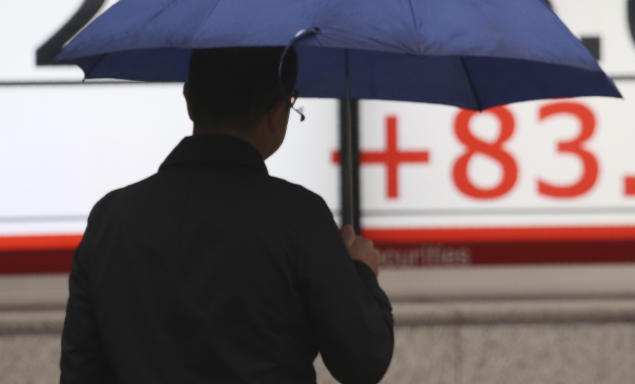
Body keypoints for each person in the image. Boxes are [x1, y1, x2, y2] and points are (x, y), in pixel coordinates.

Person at [60, 46, 394, 383]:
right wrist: (361, 273)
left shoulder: (111, 218)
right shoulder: (299, 217)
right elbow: (362, 361)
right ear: (277, 113)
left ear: (188, 98)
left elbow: (80, 370)